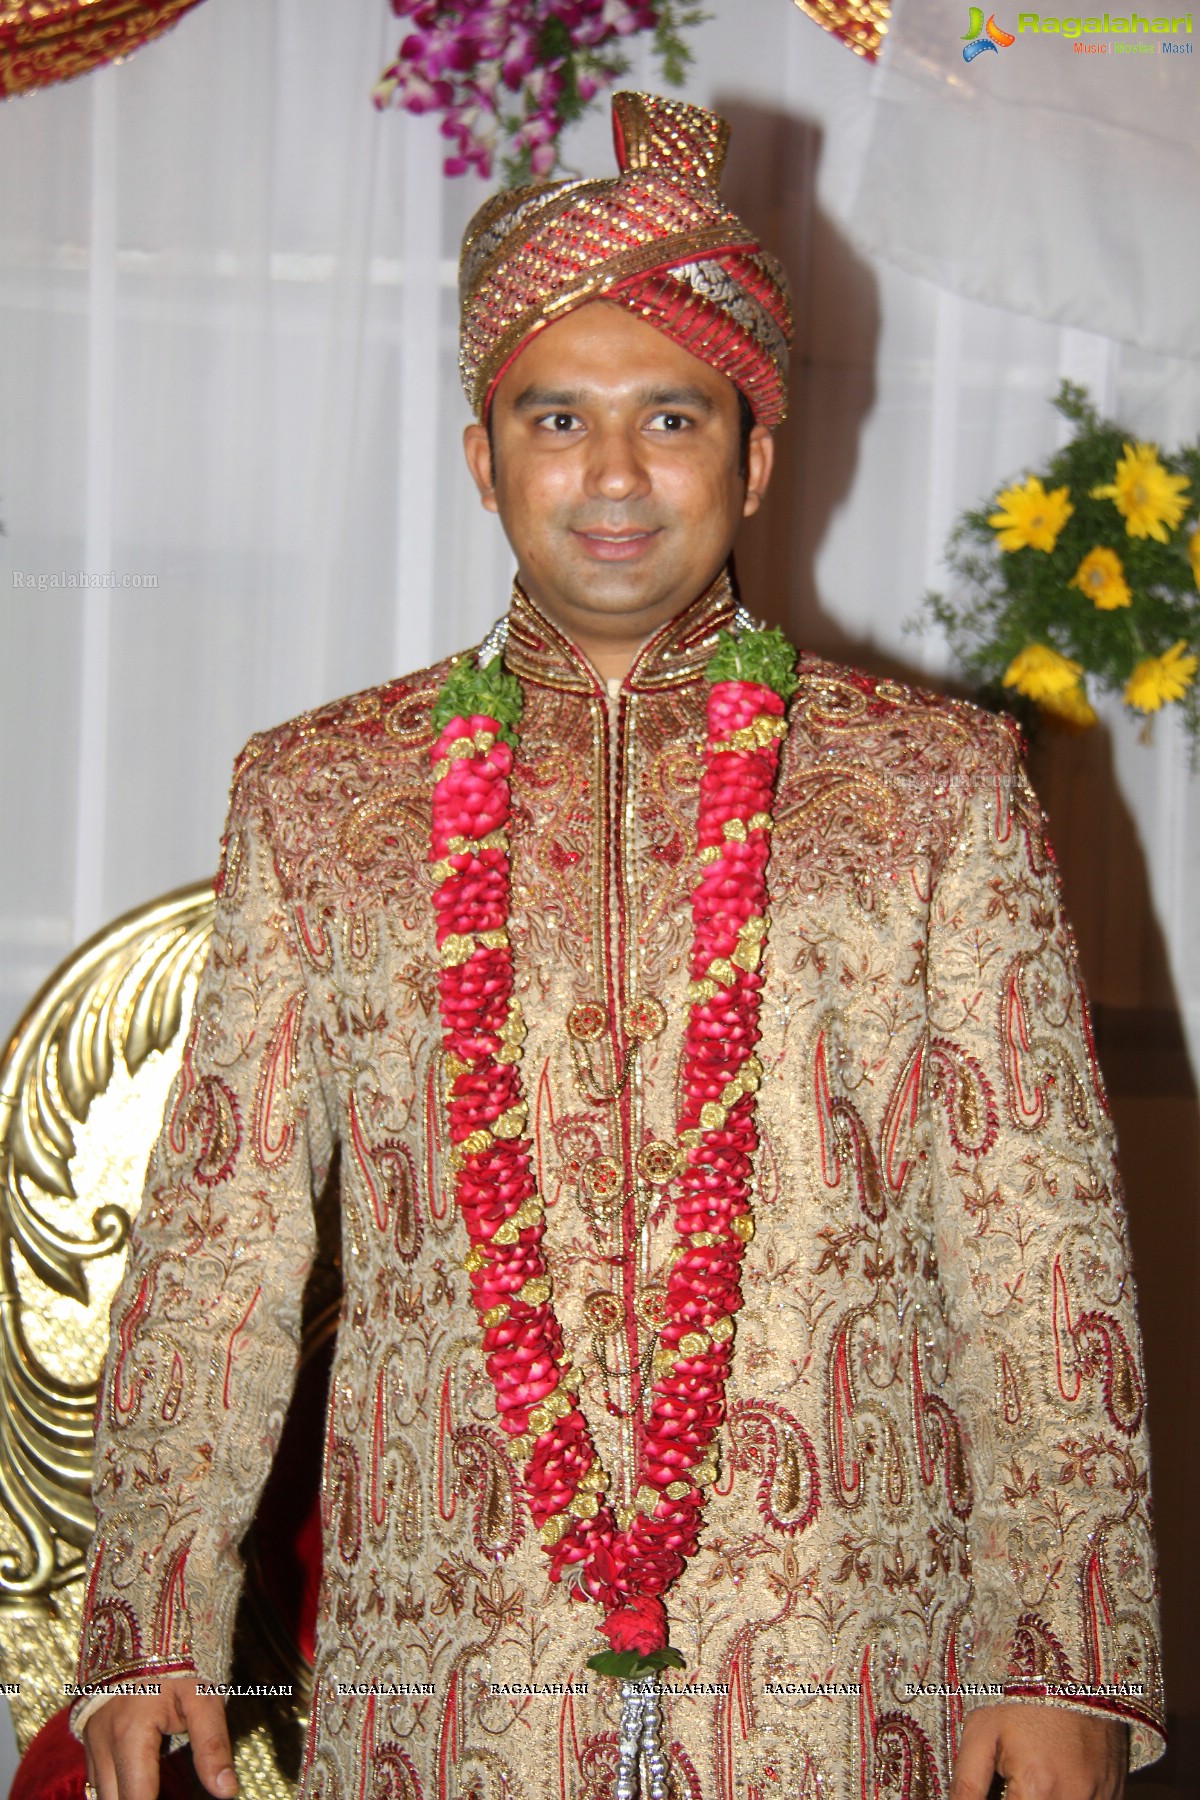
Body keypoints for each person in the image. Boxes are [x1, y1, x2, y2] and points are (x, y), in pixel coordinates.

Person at [75, 91, 1162, 1800]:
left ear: (760, 450)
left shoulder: (935, 788)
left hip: (848, 1670)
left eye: (672, 417)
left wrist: (1070, 1660)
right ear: (479, 451)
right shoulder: (317, 795)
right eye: (554, 416)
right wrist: (149, 1618)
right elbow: (221, 1238)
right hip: (448, 1674)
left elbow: (1041, 1254)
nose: (610, 477)